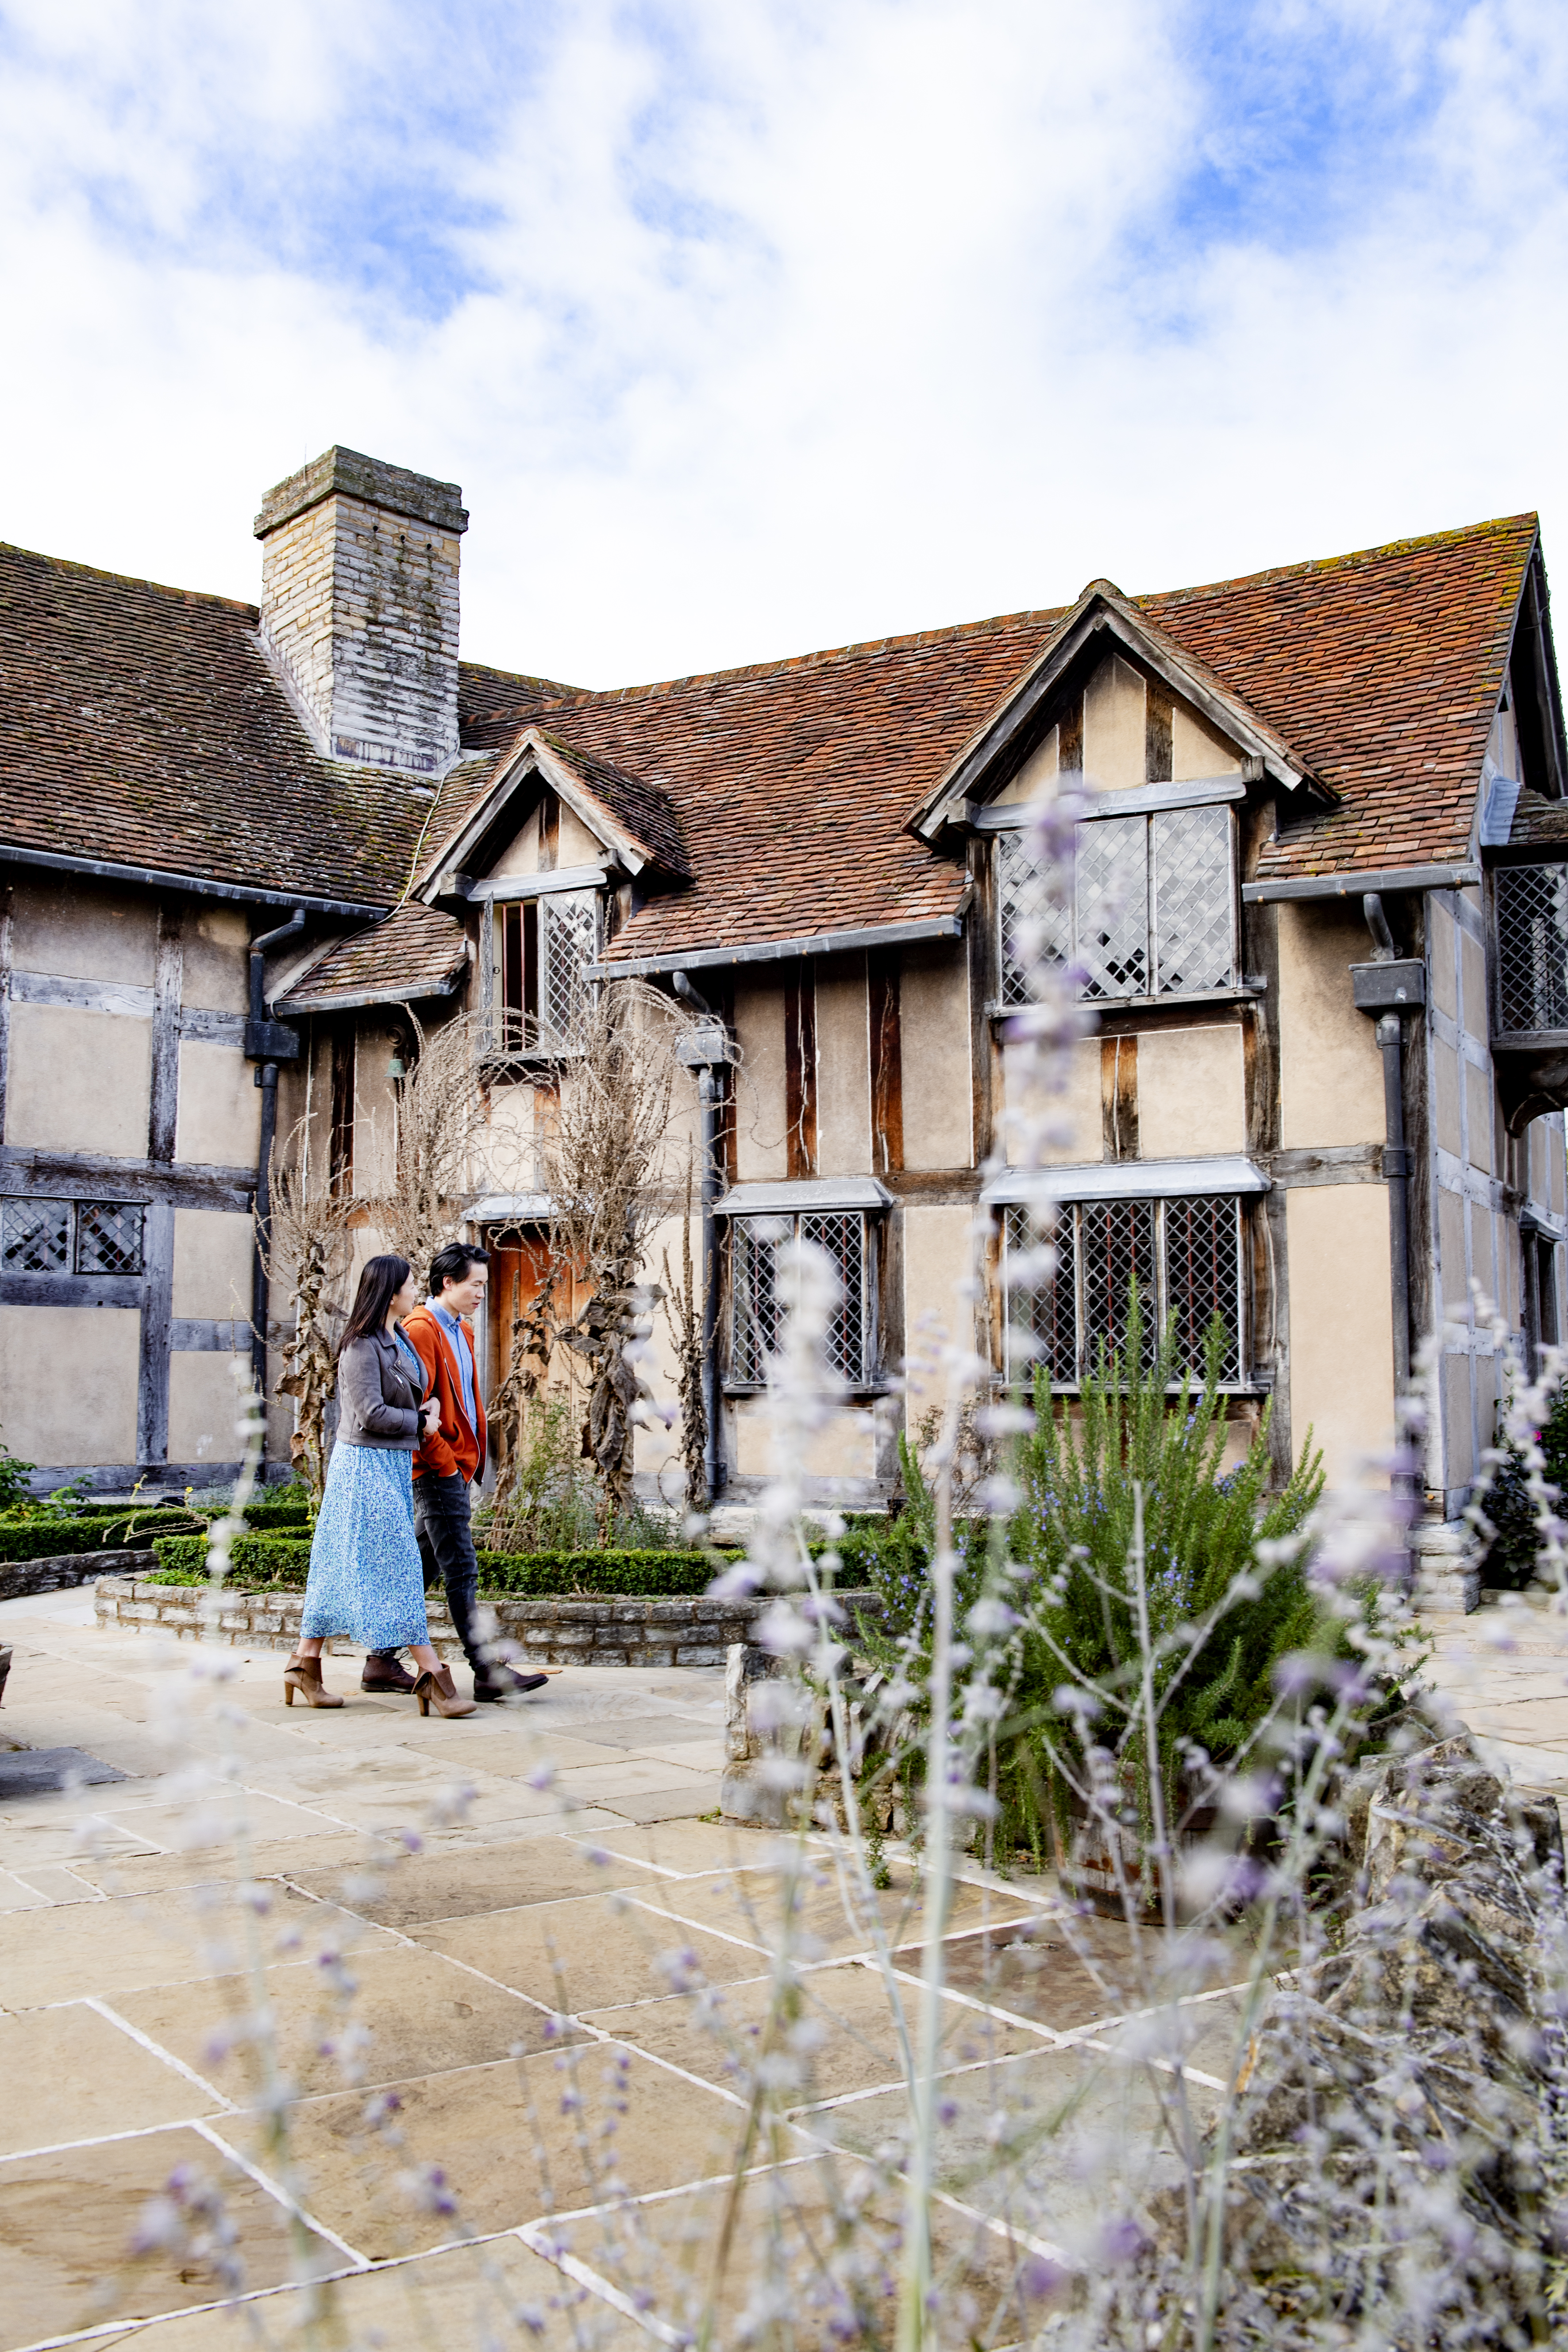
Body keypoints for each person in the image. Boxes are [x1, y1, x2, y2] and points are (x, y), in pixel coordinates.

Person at [283, 1253, 476, 1719]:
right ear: (390, 1292)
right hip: (363, 1467)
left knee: (335, 1565)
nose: (416, 1290)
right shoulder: (360, 1346)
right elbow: (370, 1413)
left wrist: (424, 1412)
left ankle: (304, 1664)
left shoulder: (401, 1337)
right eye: (410, 1284)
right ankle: (431, 1673)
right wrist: (423, 1423)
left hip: (390, 1465)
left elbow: (414, 1392)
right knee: (401, 1566)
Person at [361, 1240, 550, 1704]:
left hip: (457, 1466)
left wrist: (466, 1461)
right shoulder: (421, 1329)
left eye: (485, 1285)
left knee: (424, 1562)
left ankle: (380, 1658)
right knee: (462, 1567)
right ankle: (486, 1669)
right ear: (448, 1282)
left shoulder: (462, 1329)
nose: (482, 1293)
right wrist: (446, 1464)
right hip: (436, 1468)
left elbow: (461, 1398)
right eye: (475, 1284)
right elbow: (418, 1407)